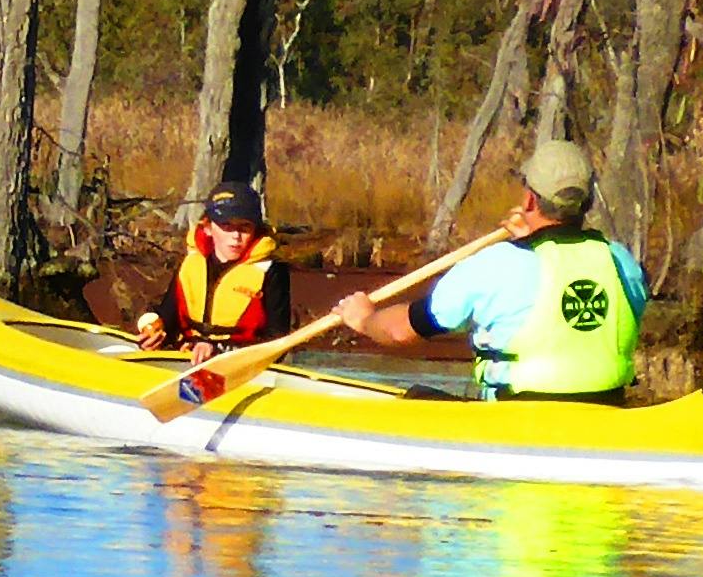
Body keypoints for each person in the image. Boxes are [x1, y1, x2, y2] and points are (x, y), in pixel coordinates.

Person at [337, 136, 646, 400]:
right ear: (588, 202)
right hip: (605, 413)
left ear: (528, 200)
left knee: (418, 395)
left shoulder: (496, 265)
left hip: (517, 414)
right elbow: (563, 293)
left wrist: (366, 318)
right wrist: (535, 242)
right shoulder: (623, 263)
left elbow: (400, 331)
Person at [135, 185, 294, 355]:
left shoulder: (272, 272)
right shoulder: (191, 264)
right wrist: (155, 335)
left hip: (240, 367)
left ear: (256, 230)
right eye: (226, 226)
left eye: (245, 227)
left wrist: (217, 350)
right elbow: (169, 318)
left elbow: (276, 342)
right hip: (187, 359)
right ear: (208, 228)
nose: (236, 236)